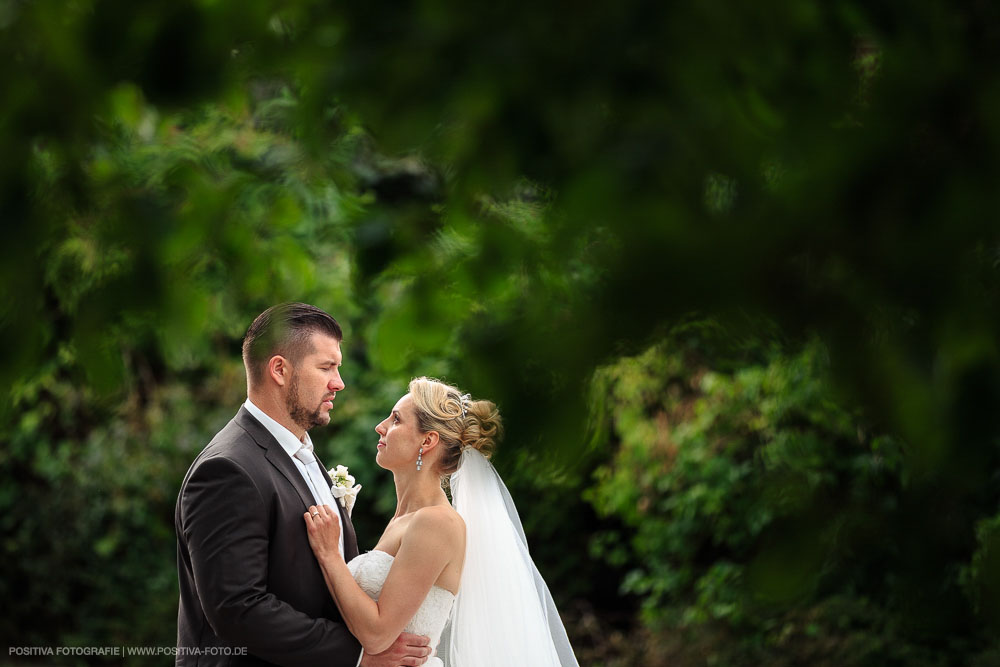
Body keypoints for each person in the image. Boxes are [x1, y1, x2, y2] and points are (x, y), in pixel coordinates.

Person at [175, 303, 432, 666]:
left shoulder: (301, 455)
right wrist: (357, 656)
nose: (339, 383)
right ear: (280, 369)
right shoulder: (228, 469)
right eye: (326, 367)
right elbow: (238, 609)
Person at [304, 377, 580, 666]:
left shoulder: (437, 523)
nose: (380, 426)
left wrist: (329, 555)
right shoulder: (403, 519)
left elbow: (377, 635)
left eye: (396, 420)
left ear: (428, 441)